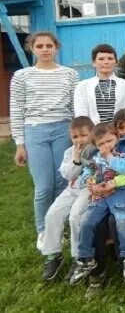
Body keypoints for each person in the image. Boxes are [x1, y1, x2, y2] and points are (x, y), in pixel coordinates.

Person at [9, 31, 79, 249]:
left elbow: (74, 106)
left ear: (56, 48)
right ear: (32, 48)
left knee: (62, 182)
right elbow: (16, 108)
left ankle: (59, 228)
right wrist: (20, 143)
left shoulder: (70, 74)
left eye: (49, 45)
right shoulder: (22, 76)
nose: (45, 49)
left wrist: (76, 135)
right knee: (43, 186)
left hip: (62, 128)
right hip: (35, 130)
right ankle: (43, 230)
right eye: (40, 46)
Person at [69, 122, 125, 286]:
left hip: (122, 191)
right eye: (101, 144)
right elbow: (91, 171)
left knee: (121, 220)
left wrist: (110, 157)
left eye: (109, 141)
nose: (105, 146)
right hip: (101, 194)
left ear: (117, 137)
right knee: (87, 220)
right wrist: (88, 182)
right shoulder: (97, 155)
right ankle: (85, 258)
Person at [40, 116, 95, 281]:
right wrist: (76, 160)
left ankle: (79, 257)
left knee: (75, 216)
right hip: (72, 188)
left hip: (89, 190)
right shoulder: (69, 152)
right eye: (75, 137)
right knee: (52, 214)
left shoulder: (97, 150)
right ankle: (53, 254)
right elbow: (67, 174)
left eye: (84, 135)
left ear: (92, 133)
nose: (80, 140)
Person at [74, 44, 125, 124]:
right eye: (101, 59)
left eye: (110, 58)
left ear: (116, 62)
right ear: (93, 63)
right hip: (94, 133)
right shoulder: (83, 86)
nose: (106, 62)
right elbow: (81, 115)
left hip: (120, 133)